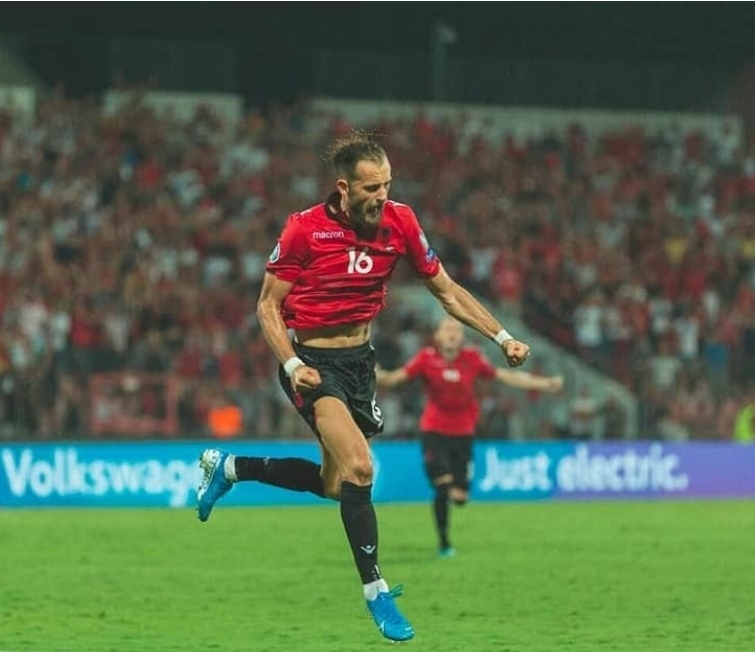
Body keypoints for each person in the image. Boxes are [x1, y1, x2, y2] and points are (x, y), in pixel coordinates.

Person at [194, 129, 532, 642]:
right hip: (313, 364)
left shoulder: (401, 221)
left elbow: (445, 290)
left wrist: (501, 336)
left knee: (336, 485)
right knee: (360, 466)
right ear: (344, 188)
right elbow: (266, 306)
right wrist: (291, 364)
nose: (381, 196)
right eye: (372, 187)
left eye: (387, 185)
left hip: (360, 365)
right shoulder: (305, 229)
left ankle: (232, 467)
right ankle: (377, 592)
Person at [376, 316, 563, 558]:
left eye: (456, 330)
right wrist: (378, 374)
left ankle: (452, 510)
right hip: (434, 430)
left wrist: (543, 384)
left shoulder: (472, 358)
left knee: (460, 497)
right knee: (442, 485)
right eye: (447, 330)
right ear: (438, 336)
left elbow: (504, 376)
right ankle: (444, 542)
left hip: (463, 432)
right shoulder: (426, 358)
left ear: (462, 337)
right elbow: (395, 378)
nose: (451, 334)